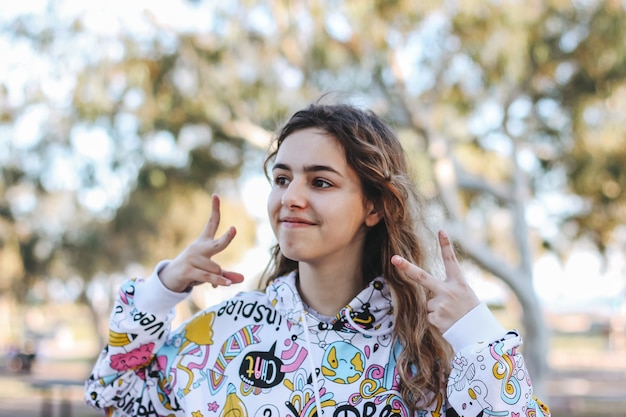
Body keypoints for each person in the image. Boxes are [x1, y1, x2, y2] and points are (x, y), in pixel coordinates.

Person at [85, 102, 551, 417]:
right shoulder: (227, 332)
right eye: (283, 178)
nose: (291, 197)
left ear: (374, 206)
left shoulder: (431, 351)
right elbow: (115, 395)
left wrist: (478, 334)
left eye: (320, 182)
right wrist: (162, 290)